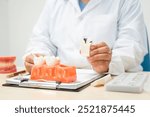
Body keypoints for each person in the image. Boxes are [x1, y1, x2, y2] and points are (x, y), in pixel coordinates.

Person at [24, 0, 147, 75]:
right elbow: (40, 39)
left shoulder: (126, 1)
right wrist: (38, 58)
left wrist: (110, 61)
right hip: (62, 83)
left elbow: (133, 46)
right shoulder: (54, 3)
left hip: (110, 80)